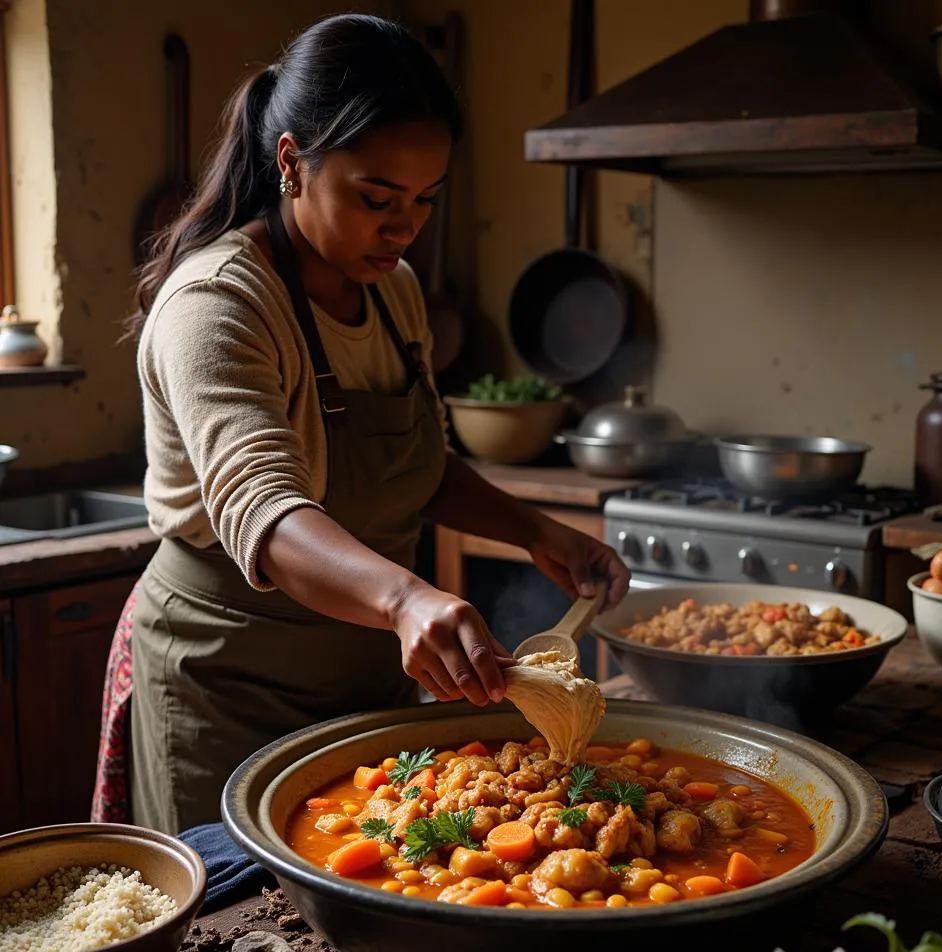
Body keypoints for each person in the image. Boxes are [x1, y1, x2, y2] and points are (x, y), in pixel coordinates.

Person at [92, 13, 630, 835]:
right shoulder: (219, 305)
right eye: (376, 198)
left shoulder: (393, 289)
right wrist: (407, 597)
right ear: (291, 164)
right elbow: (264, 513)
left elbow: (420, 463)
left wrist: (534, 531)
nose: (403, 227)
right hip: (228, 680)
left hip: (363, 672)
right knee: (237, 929)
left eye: (423, 201)